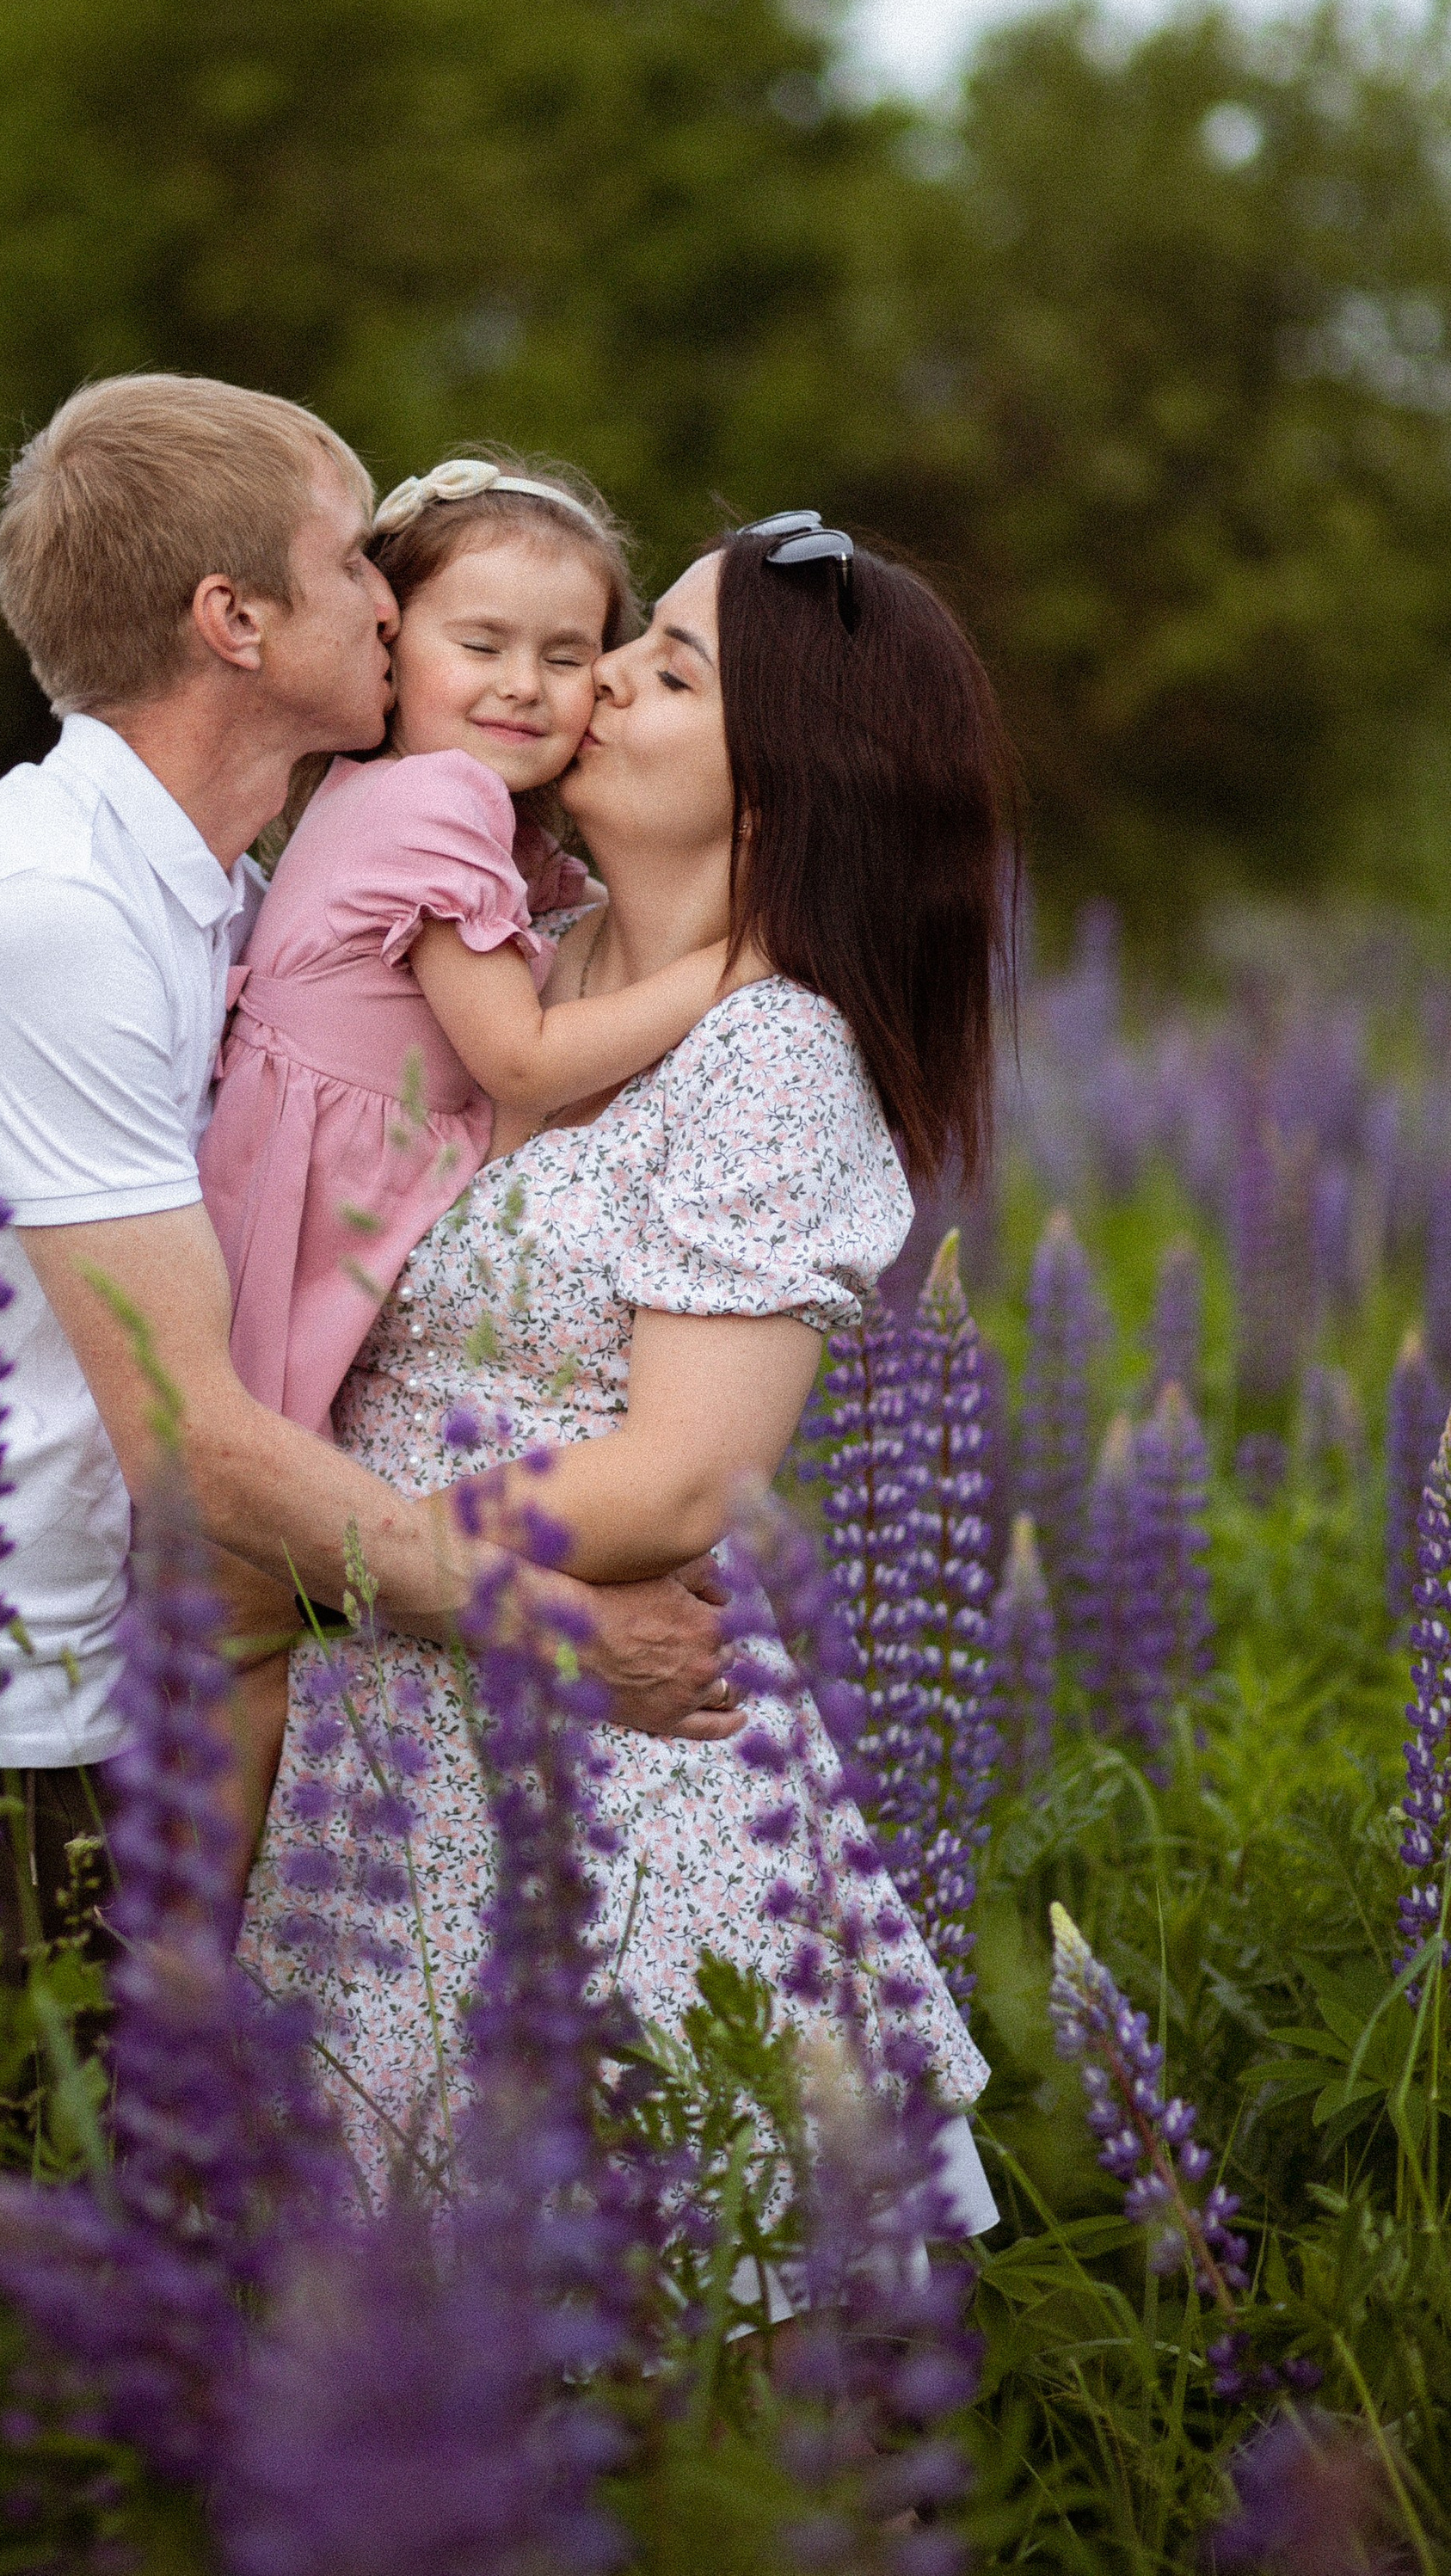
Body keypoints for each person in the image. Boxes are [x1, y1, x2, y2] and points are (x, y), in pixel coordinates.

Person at [0, 374, 737, 1997]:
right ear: (235, 618)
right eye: (356, 558)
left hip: (72, 1697)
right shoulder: (45, 908)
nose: (397, 587)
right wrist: (562, 1631)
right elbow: (191, 1439)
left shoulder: (222, 898)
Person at [237, 512, 1018, 2220]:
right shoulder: (524, 939)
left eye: (669, 667)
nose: (596, 682)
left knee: (674, 2393)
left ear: (783, 783)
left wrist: (329, 1544)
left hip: (610, 1798)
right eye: (626, 642)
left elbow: (679, 1475)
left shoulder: (775, 1052)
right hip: (399, 1737)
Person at [199, 451, 740, 1851]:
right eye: (479, 644)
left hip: (333, 1196)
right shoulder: (433, 806)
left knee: (261, 1612)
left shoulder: (466, 825)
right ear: (393, 650)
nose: (526, 684)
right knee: (255, 1608)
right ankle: (190, 1933)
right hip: (302, 1225)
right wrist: (727, 972)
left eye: (571, 656)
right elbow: (519, 1063)